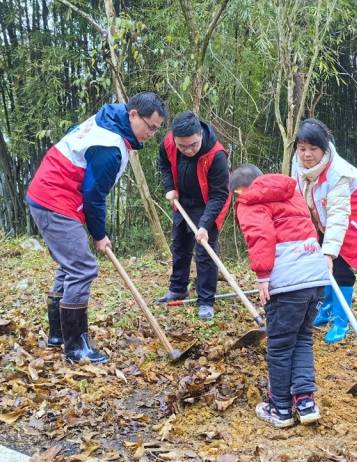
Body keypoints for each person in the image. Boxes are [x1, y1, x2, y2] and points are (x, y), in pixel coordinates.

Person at [27, 92, 167, 364]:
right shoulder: (110, 147)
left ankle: (58, 335)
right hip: (55, 199)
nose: (151, 134)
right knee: (82, 267)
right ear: (133, 114)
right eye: (149, 126)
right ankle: (76, 347)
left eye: (157, 129)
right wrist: (99, 235)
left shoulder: (107, 117)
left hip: (52, 194)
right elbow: (93, 194)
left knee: (71, 264)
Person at [230, 164, 329, 427]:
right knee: (302, 338)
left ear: (240, 191)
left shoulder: (250, 201)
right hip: (315, 276)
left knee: (280, 345)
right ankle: (306, 403)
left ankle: (280, 409)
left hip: (287, 283)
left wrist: (262, 276)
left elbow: (261, 236)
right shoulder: (290, 193)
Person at [291, 119, 357, 344]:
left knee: (340, 269)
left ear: (325, 148)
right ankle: (327, 308)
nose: (307, 154)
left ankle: (341, 321)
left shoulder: (338, 172)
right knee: (320, 265)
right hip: (321, 217)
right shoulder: (298, 164)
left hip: (351, 220)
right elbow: (298, 195)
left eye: (313, 149)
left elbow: (339, 216)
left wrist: (330, 252)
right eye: (302, 149)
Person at [155, 111, 230, 320]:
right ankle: (178, 288)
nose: (188, 150)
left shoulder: (216, 155)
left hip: (207, 204)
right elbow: (163, 164)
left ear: (200, 135)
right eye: (183, 146)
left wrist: (205, 225)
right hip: (182, 200)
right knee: (179, 245)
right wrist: (169, 187)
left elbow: (220, 194)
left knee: (205, 252)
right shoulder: (169, 143)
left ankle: (206, 301)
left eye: (193, 145)